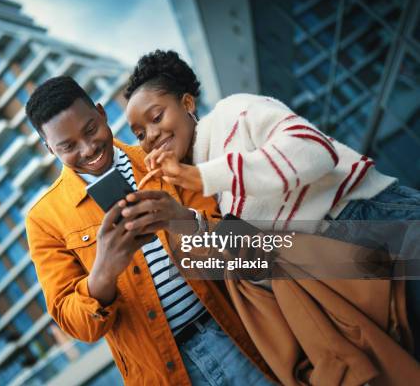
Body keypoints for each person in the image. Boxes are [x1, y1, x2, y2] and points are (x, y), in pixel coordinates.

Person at [123, 49, 420, 360]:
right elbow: (267, 264)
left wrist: (200, 176)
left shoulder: (231, 113)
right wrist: (181, 220)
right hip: (345, 272)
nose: (152, 135)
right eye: (140, 134)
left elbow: (314, 150)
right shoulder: (210, 192)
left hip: (368, 218)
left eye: (156, 117)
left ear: (187, 103)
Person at [24, 76, 275, 385]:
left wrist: (181, 221)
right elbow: (77, 325)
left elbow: (248, 256)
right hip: (162, 373)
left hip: (237, 337)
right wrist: (102, 274)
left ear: (102, 113)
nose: (88, 149)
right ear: (50, 148)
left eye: (91, 130)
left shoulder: (164, 158)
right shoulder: (44, 220)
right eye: (68, 146)